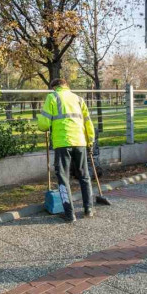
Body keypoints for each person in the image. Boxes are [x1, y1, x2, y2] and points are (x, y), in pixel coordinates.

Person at [37, 78, 95, 222]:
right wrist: (90, 140)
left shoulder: (52, 97)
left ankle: (70, 214)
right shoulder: (78, 99)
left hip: (62, 143)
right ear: (66, 85)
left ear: (54, 87)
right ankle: (88, 209)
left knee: (63, 178)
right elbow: (88, 121)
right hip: (80, 142)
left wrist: (43, 122)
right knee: (84, 176)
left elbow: (43, 125)